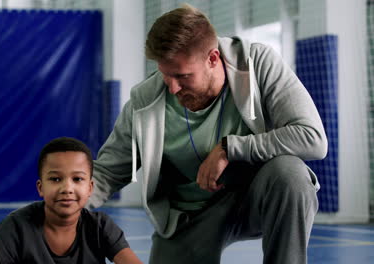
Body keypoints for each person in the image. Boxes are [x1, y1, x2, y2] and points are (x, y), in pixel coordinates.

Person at [87, 4, 327, 264]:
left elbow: (312, 137)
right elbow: (108, 172)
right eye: (165, 75)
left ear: (213, 59)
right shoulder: (145, 101)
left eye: (182, 76)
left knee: (289, 174)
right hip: (189, 215)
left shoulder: (257, 64)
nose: (174, 88)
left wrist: (230, 148)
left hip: (253, 199)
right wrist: (61, 206)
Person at [0, 137, 142, 264]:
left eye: (77, 179)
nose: (67, 188)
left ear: (90, 188)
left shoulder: (100, 227)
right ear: (40, 188)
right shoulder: (18, 226)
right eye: (55, 179)